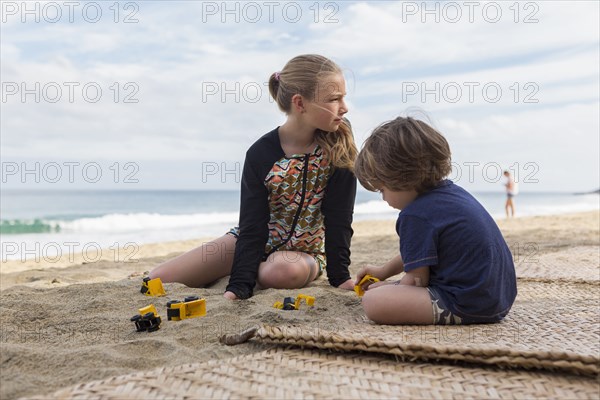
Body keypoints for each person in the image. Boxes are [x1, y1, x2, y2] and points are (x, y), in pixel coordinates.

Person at [149, 54, 357, 299]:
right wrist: (238, 286)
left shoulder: (338, 148)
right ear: (300, 103)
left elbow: (339, 219)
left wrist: (340, 276)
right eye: (335, 99)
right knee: (157, 279)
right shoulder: (261, 154)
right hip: (254, 241)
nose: (345, 107)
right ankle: (245, 266)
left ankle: (252, 267)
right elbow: (252, 224)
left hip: (304, 254)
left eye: (343, 97)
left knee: (279, 274)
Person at [353, 116, 517, 325]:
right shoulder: (449, 195)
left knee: (373, 301)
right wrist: (384, 272)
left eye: (382, 189)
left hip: (466, 303)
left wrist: (391, 288)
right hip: (499, 299)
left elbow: (416, 282)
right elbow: (422, 251)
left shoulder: (415, 215)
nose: (383, 197)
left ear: (401, 178)